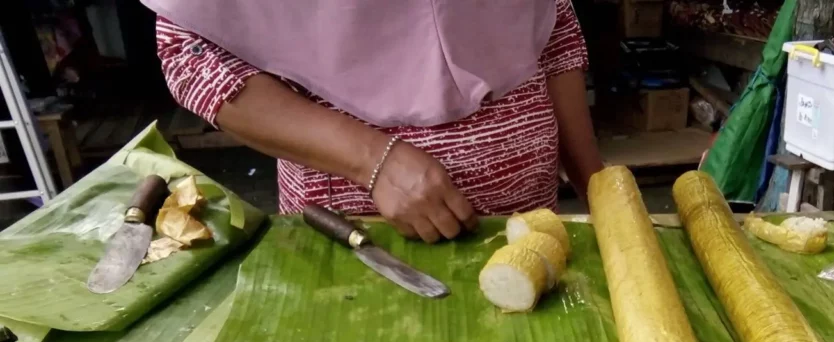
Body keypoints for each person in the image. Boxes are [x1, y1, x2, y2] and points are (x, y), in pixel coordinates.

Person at [146, 0, 604, 243]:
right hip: (358, 235)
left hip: (532, 224)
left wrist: (598, 191)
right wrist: (372, 161)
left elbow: (551, 28)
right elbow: (193, 55)